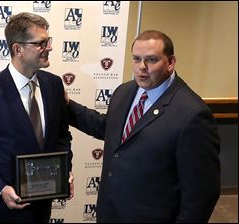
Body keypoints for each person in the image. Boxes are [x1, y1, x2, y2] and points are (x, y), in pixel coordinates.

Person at [66, 30, 220, 223]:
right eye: (137, 59)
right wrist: (65, 105)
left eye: (152, 60)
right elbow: (108, 129)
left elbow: (201, 195)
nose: (142, 67)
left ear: (171, 62)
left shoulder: (193, 114)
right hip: (111, 213)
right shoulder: (125, 91)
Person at [0, 12, 74, 223]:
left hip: (40, 210)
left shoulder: (54, 86)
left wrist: (65, 170)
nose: (50, 48)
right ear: (18, 49)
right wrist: (0, 188)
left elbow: (62, 137)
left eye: (48, 41)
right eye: (41, 43)